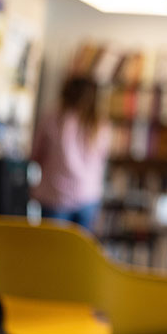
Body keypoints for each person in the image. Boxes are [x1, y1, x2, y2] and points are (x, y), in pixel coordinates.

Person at [30, 76, 112, 232]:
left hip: (55, 195)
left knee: (54, 251)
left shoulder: (52, 118)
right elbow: (102, 158)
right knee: (79, 252)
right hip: (88, 196)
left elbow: (35, 155)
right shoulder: (100, 124)